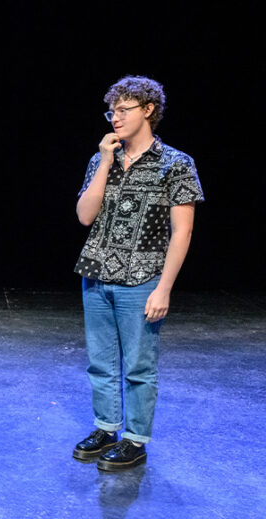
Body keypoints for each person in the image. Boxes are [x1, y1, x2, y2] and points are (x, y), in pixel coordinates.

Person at [71, 76, 204, 471]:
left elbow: (183, 232)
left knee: (139, 367)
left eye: (124, 110)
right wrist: (106, 162)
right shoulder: (101, 158)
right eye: (112, 111)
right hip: (96, 274)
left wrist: (164, 288)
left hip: (142, 278)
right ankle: (107, 428)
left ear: (148, 110)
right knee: (101, 361)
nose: (115, 118)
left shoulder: (176, 164)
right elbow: (84, 216)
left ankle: (135, 439)